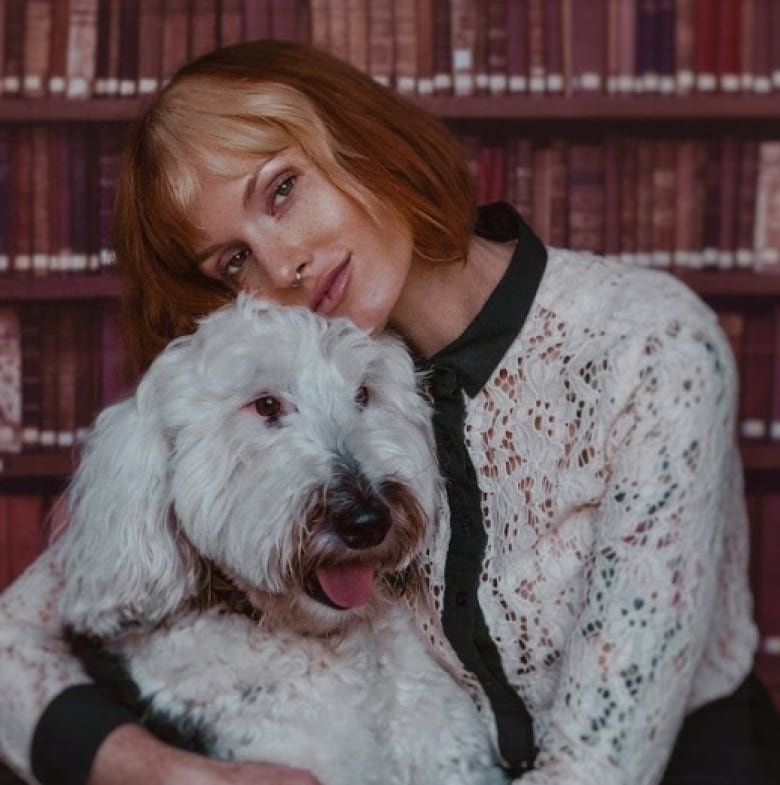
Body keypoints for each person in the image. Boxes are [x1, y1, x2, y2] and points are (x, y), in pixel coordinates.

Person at [0, 40, 778, 785]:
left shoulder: (651, 345)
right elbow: (15, 638)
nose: (282, 263)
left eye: (281, 189)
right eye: (234, 259)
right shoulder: (312, 384)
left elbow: (602, 767)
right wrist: (167, 772)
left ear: (358, 137)